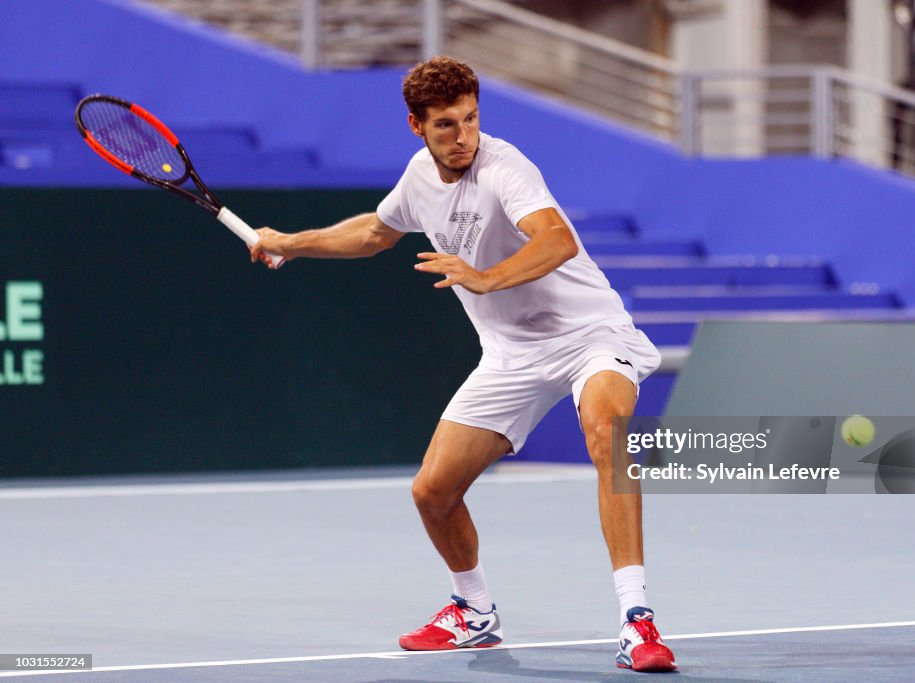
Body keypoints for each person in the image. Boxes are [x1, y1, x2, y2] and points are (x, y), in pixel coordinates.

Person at [250, 56, 676, 673]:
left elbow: (557, 240)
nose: (463, 136)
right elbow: (375, 230)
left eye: (472, 119)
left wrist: (485, 278)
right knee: (432, 491)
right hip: (512, 356)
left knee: (607, 431)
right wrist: (290, 243)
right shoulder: (420, 177)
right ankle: (473, 613)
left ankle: (638, 623)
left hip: (589, 333)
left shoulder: (506, 166)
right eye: (446, 124)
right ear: (416, 126)